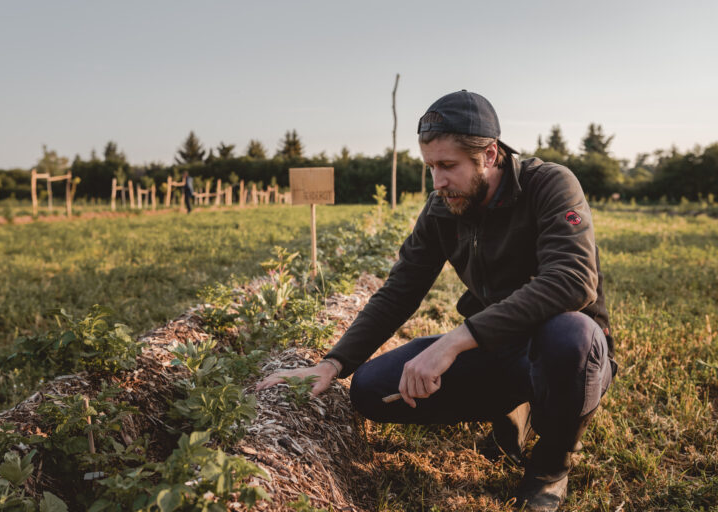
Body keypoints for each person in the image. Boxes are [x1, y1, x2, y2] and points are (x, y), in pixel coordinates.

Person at [257, 90, 617, 511]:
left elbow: (572, 281)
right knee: (370, 391)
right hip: (498, 346)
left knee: (569, 334)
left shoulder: (549, 185)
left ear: (490, 154)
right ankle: (516, 402)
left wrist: (453, 342)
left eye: (448, 166)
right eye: (430, 167)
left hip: (569, 353)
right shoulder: (442, 207)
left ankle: (551, 466)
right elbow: (400, 290)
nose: (438, 181)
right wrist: (333, 363)